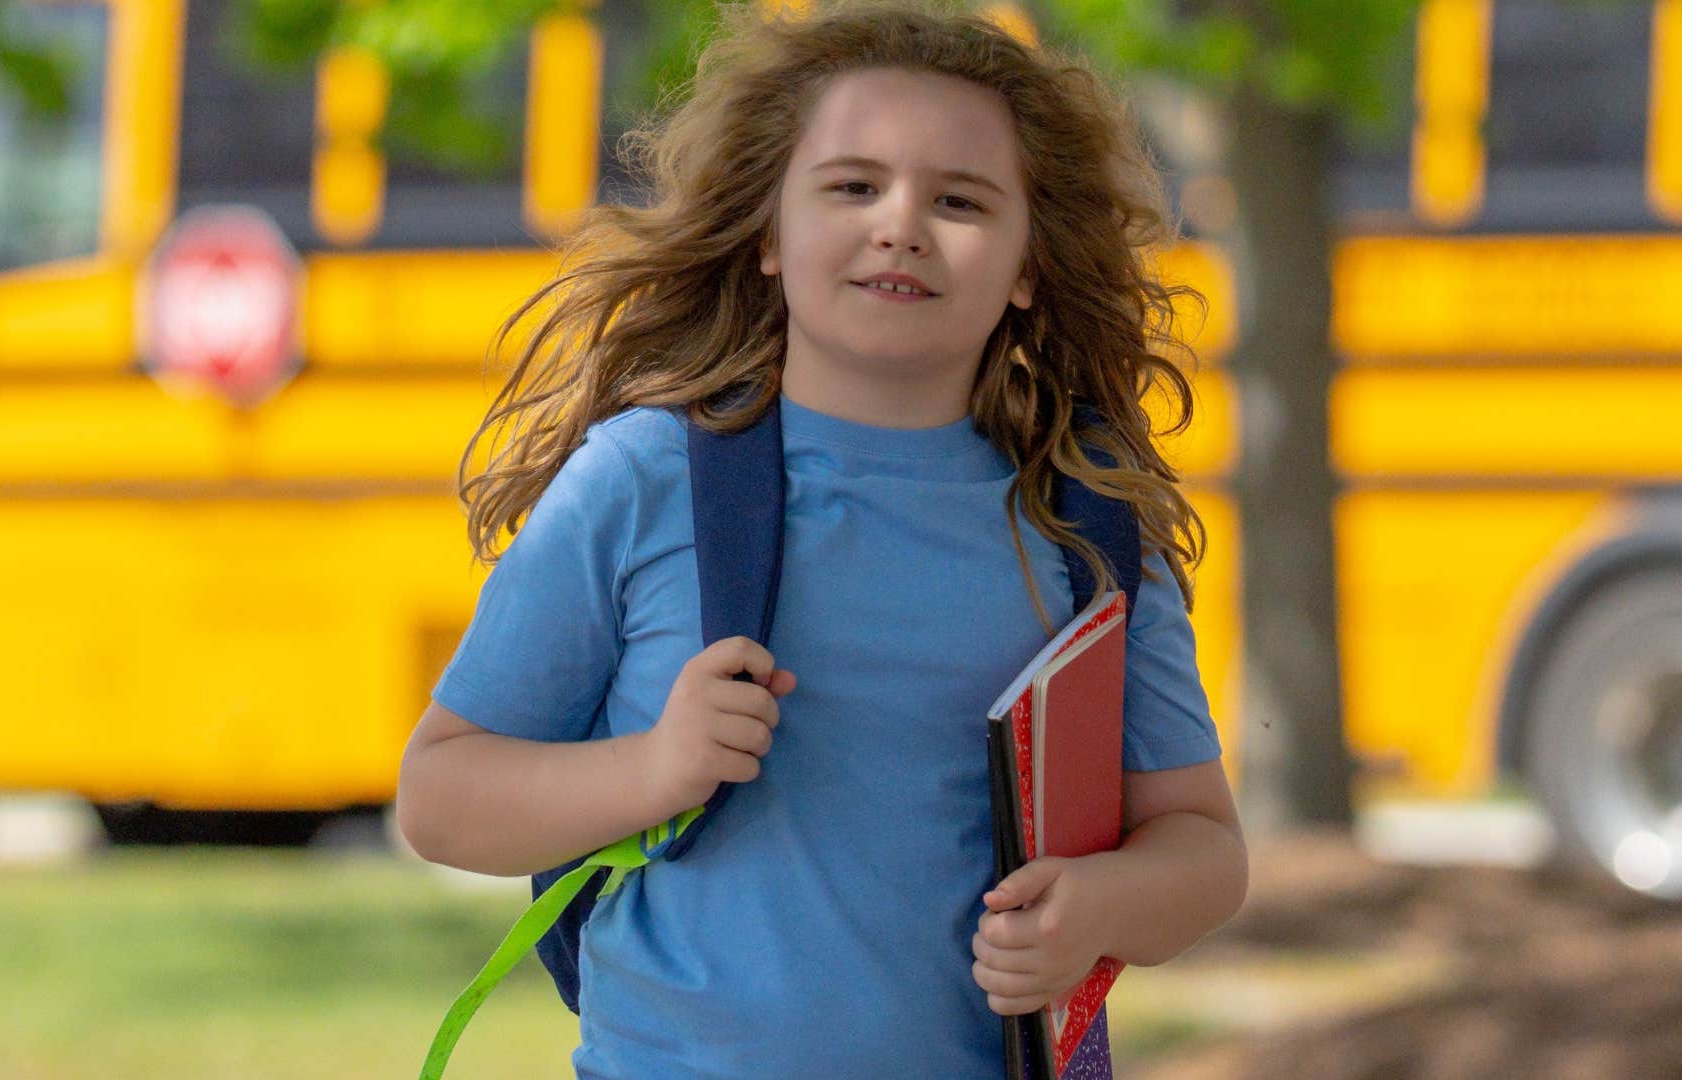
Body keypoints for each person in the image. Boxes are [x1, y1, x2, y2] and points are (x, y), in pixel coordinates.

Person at [395, 0, 1248, 1075]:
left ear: (1030, 265)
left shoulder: (1084, 528)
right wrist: (655, 767)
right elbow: (440, 799)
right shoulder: (641, 483)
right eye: (853, 185)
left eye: (961, 199)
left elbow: (1204, 849)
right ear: (767, 232)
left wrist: (1104, 905)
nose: (901, 224)